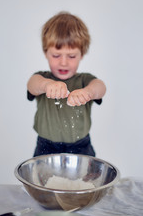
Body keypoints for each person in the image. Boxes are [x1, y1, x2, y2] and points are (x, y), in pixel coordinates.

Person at [27, 11, 106, 157]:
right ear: (46, 53)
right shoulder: (42, 78)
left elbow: (100, 87)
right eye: (56, 55)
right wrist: (46, 85)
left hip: (81, 146)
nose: (63, 62)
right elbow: (32, 84)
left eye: (71, 56)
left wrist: (89, 92)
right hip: (46, 146)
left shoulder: (84, 80)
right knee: (42, 179)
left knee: (87, 179)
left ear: (81, 54)